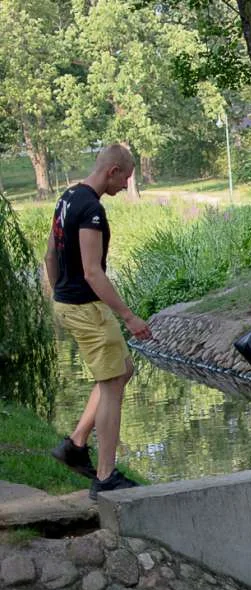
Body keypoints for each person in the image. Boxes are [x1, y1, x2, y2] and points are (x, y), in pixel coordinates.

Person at [46, 143, 152, 499]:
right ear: (113, 171)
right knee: (111, 387)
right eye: (125, 178)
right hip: (87, 307)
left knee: (122, 370)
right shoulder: (91, 209)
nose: (125, 186)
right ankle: (105, 477)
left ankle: (76, 444)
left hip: (70, 303)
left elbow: (50, 255)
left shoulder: (67, 197)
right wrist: (129, 316)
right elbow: (93, 272)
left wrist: (57, 294)